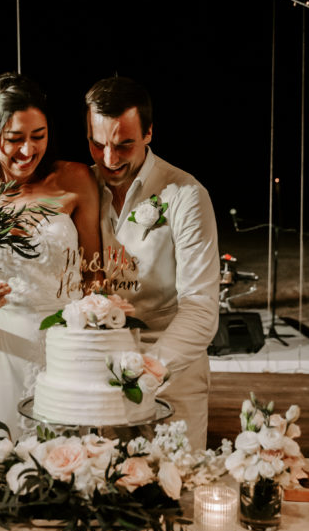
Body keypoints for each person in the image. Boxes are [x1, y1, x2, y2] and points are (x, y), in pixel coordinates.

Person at [0, 72, 101, 439]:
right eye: (14, 139)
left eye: (38, 137)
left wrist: (94, 329)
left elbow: (95, 273)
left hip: (67, 353)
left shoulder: (74, 180)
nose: (28, 151)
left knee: (74, 469)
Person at [85, 76, 220, 450]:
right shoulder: (83, 189)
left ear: (148, 133)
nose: (109, 160)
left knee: (173, 493)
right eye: (97, 145)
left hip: (173, 373)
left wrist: (149, 368)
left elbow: (201, 307)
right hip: (102, 372)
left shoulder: (186, 195)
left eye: (124, 144)